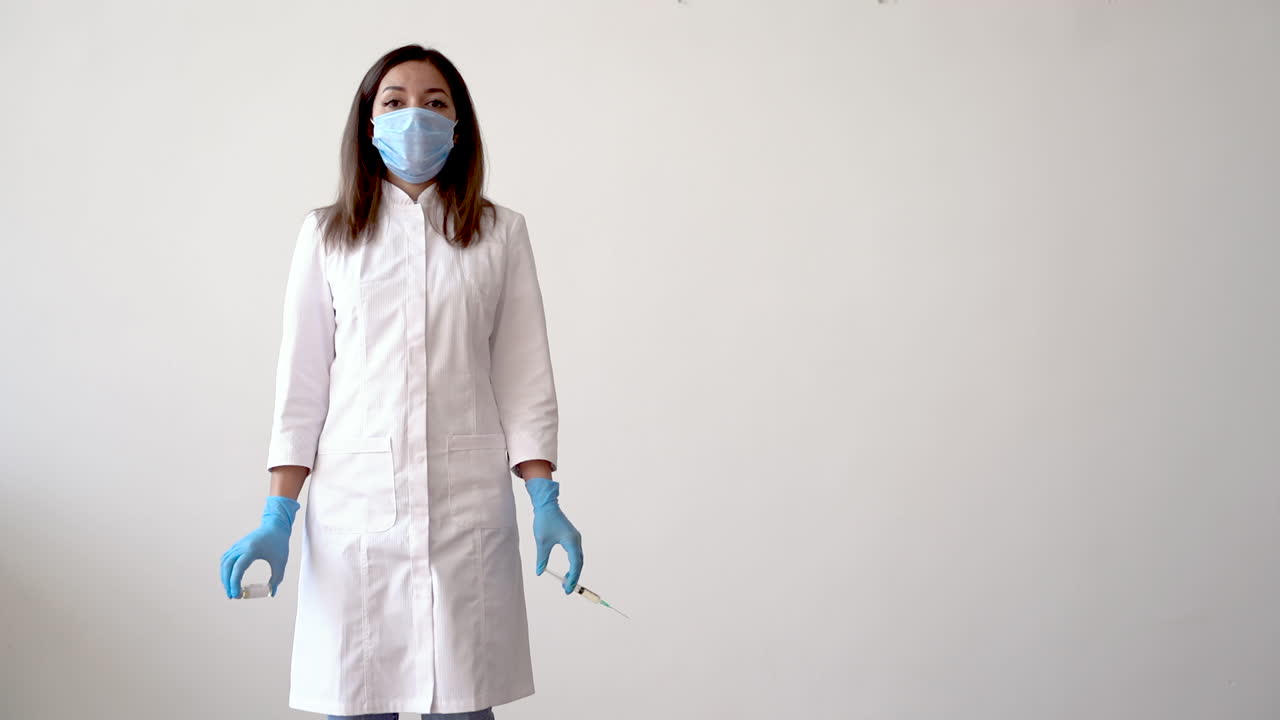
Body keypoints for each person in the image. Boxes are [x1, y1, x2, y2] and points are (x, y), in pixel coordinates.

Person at [218, 44, 584, 719]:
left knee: (463, 704)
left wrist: (544, 498)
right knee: (358, 700)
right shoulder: (328, 236)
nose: (415, 115)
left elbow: (525, 377)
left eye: (435, 103)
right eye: (395, 101)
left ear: (460, 124)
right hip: (355, 514)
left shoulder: (500, 234)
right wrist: (278, 515)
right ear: (368, 123)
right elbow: (301, 389)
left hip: (465, 511)